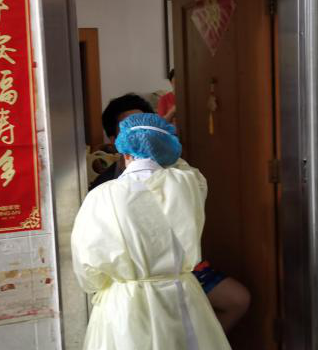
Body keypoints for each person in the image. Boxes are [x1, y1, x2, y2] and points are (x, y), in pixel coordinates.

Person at [72, 113, 236, 350]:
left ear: (124, 152)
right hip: (182, 292)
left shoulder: (102, 196)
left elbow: (87, 265)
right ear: (166, 150)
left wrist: (107, 284)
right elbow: (180, 166)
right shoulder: (189, 184)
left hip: (127, 301)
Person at [91, 93, 251, 333]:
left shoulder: (180, 176)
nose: (141, 134)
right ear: (115, 140)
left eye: (145, 126)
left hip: (181, 270)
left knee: (237, 299)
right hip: (134, 281)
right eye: (131, 129)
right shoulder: (103, 188)